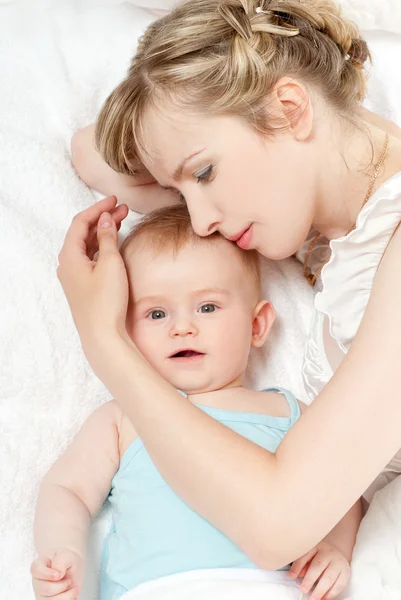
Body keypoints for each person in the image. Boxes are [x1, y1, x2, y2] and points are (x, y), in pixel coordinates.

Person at [60, 0, 401, 572]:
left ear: (291, 109)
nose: (198, 223)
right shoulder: (326, 218)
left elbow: (275, 527)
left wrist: (105, 341)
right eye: (184, 188)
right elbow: (90, 151)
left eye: (205, 172)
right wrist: (192, 152)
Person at [31, 206, 361, 600]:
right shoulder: (121, 419)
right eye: (156, 313)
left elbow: (343, 489)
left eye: (207, 307)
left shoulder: (288, 412)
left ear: (256, 325)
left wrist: (336, 549)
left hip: (271, 588)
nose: (182, 327)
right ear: (125, 331)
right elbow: (67, 488)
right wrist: (64, 551)